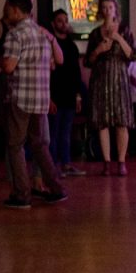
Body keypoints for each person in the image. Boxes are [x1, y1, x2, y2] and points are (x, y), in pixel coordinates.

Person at [0, 0, 67, 208]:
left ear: (16, 10)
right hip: (40, 100)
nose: (5, 12)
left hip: (20, 99)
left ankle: (22, 194)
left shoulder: (15, 35)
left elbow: (8, 67)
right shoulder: (42, 34)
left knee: (15, 146)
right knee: (40, 146)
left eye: (7, 7)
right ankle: (56, 188)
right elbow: (56, 62)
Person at [85, 0, 136, 176]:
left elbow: (133, 55)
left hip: (119, 81)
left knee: (122, 122)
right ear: (101, 11)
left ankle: (121, 162)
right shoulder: (95, 34)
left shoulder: (125, 30)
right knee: (103, 123)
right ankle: (106, 162)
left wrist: (118, 38)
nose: (107, 11)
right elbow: (87, 61)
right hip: (101, 82)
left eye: (110, 7)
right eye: (104, 8)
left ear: (115, 10)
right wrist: (99, 49)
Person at [49, 9, 86, 176]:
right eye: (60, 20)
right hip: (55, 95)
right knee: (53, 133)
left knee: (66, 133)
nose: (64, 24)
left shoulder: (71, 46)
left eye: (66, 20)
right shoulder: (50, 44)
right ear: (53, 24)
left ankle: (66, 164)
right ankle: (52, 166)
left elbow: (76, 73)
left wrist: (78, 96)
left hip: (70, 95)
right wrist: (49, 98)